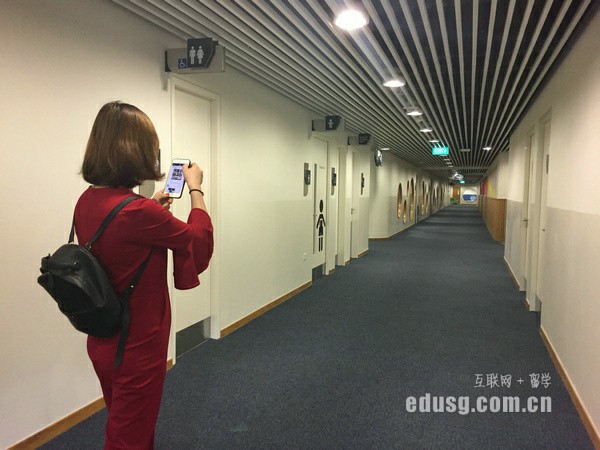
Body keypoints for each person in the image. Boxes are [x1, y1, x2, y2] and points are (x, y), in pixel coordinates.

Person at [76, 101, 213, 449]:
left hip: (103, 336)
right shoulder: (137, 213)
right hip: (136, 344)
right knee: (127, 439)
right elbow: (196, 241)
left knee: (128, 424)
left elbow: (119, 241)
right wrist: (196, 189)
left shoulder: (87, 200)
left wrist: (150, 206)